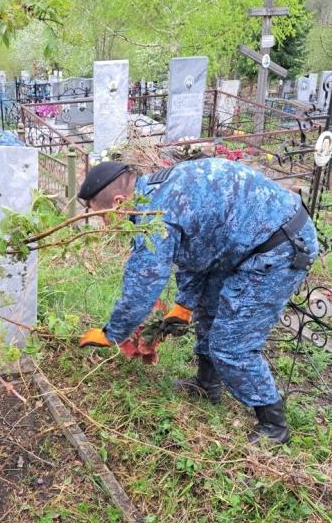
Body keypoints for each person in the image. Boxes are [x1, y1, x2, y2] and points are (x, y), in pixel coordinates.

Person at [78, 159, 319, 444]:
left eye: (104, 216)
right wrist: (185, 304)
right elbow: (198, 249)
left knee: (231, 345)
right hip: (250, 240)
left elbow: (142, 286)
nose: (105, 226)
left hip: (278, 247)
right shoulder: (156, 190)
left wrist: (111, 334)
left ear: (119, 202)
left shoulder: (154, 217)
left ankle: (273, 426)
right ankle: (207, 384)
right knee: (209, 309)